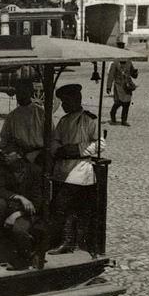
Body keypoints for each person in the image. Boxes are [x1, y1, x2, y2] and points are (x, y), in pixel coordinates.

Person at [46, 84, 103, 256]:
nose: (63, 105)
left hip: (79, 169)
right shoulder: (63, 121)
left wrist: (77, 149)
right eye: (62, 102)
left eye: (66, 101)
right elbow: (55, 140)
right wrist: (58, 149)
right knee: (59, 205)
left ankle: (68, 241)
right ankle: (61, 240)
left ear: (77, 100)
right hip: (62, 168)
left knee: (64, 205)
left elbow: (99, 144)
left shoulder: (89, 120)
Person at [0, 151, 44, 270]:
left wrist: (17, 215)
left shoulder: (34, 171)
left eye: (9, 152)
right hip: (11, 208)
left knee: (19, 229)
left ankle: (24, 260)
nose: (5, 154)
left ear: (19, 155)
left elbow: (38, 202)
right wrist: (19, 197)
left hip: (29, 213)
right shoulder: (4, 170)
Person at [0, 77, 45, 164]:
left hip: (39, 156)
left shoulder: (41, 113)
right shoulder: (12, 116)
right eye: (18, 92)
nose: (20, 95)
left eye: (24, 92)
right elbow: (4, 140)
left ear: (31, 93)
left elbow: (51, 137)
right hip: (19, 157)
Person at [106, 44, 139, 127]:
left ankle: (124, 120)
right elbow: (111, 75)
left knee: (127, 103)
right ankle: (112, 114)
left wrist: (135, 73)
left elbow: (132, 74)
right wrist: (108, 87)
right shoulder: (115, 63)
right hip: (118, 86)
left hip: (127, 86)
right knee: (119, 102)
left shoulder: (129, 62)